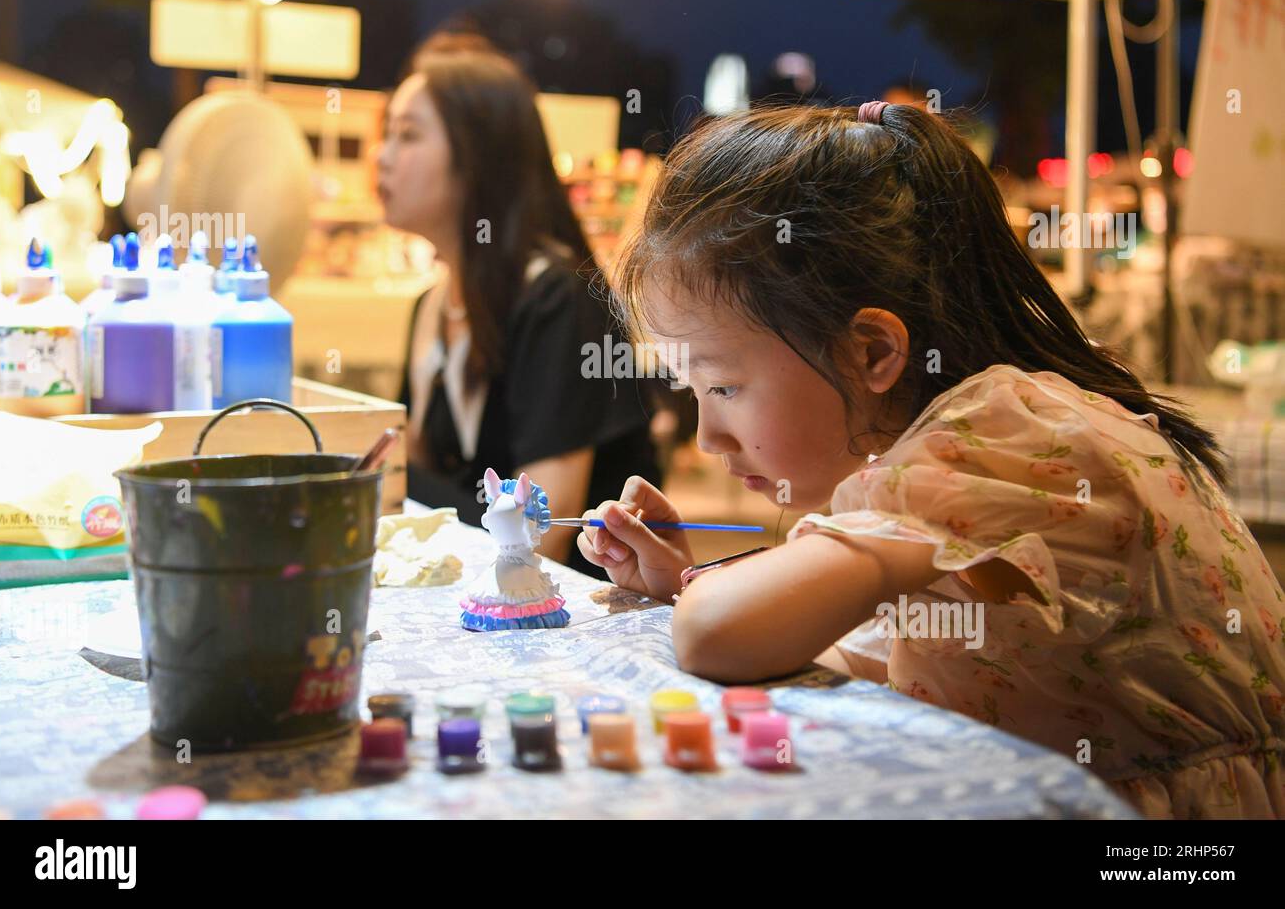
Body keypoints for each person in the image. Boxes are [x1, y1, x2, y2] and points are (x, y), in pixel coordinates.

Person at [575, 100, 1285, 819]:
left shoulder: (1007, 440)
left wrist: (701, 603)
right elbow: (860, 647)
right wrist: (684, 583)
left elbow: (712, 634)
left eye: (723, 386)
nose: (708, 440)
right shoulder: (982, 439)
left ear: (873, 352)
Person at [377, 42, 660, 573]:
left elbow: (538, 539)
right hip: (469, 601)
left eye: (408, 135)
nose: (382, 155)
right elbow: (408, 474)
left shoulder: (560, 298)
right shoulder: (430, 305)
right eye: (387, 134)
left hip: (569, 622)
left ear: (477, 157)